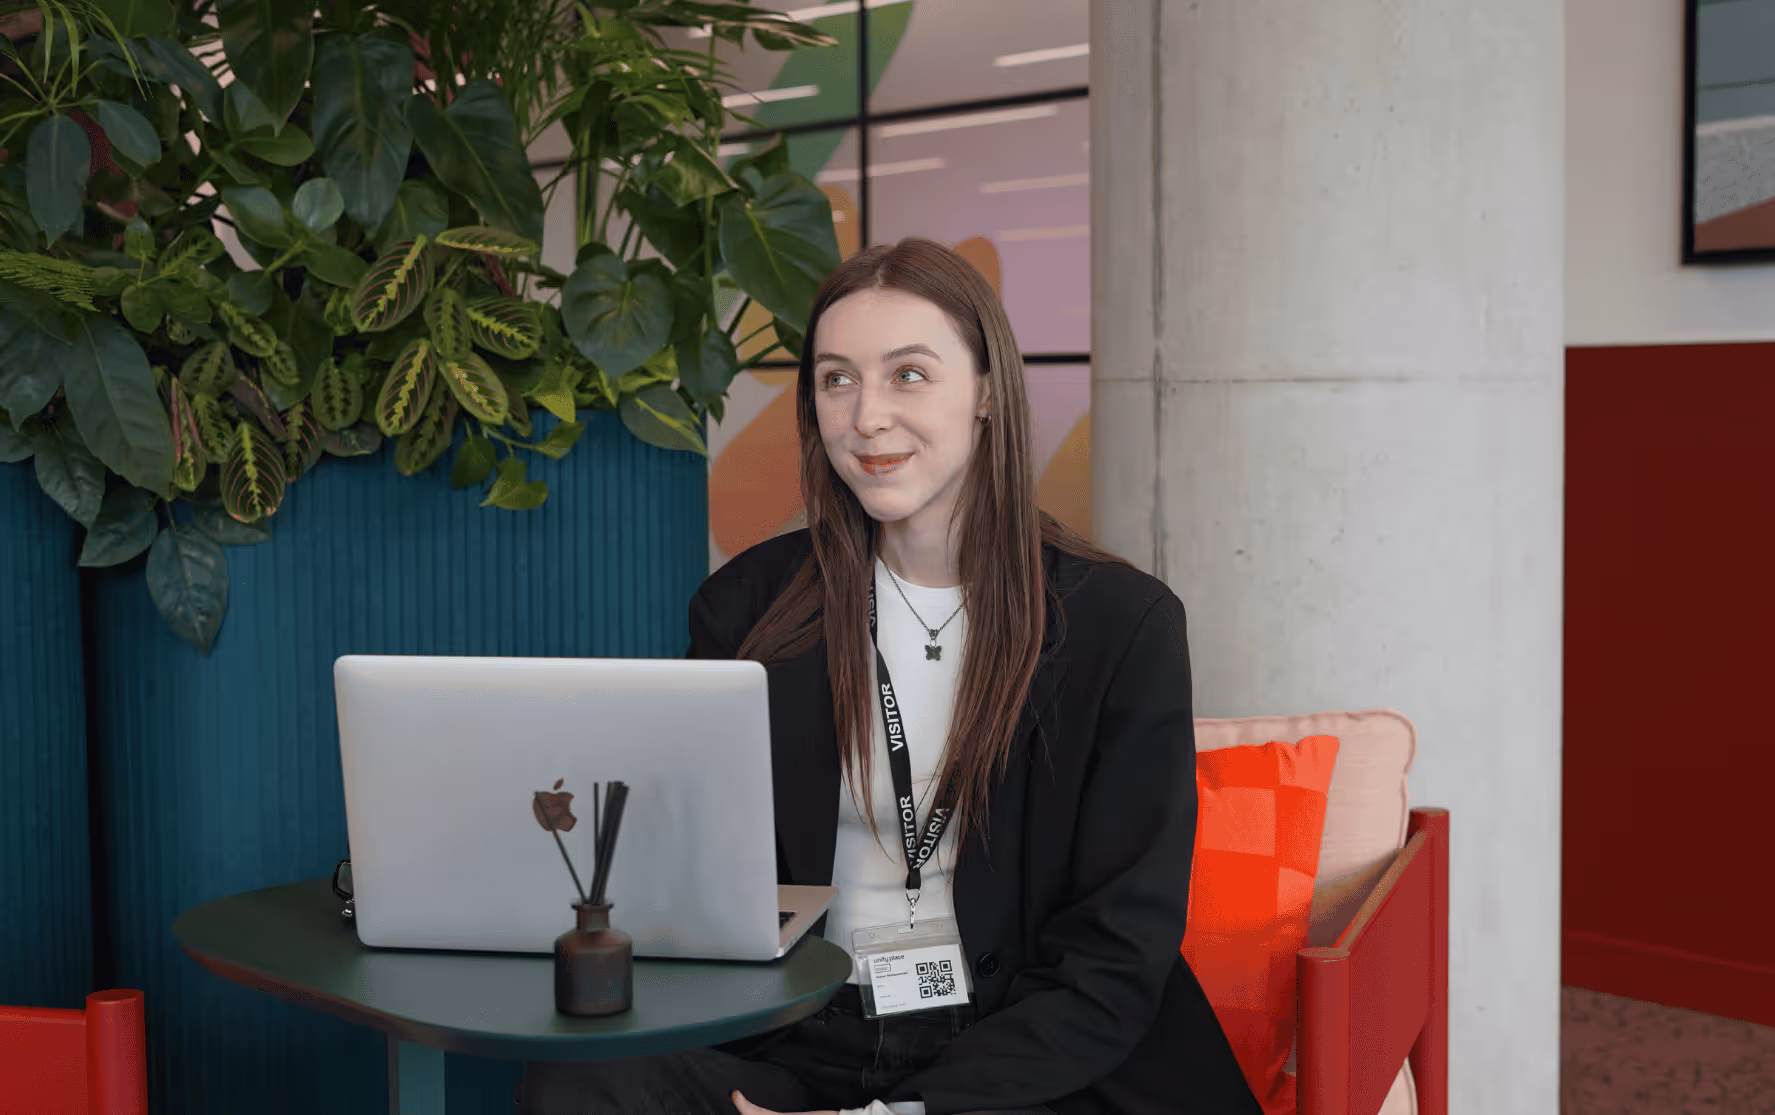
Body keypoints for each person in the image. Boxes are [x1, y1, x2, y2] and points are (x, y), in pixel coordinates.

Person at [516, 238, 1261, 1115]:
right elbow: (693, 877)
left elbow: (1114, 952)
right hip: (802, 1029)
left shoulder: (1120, 624)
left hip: (1023, 1049)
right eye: (835, 379)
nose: (865, 417)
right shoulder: (747, 607)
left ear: (987, 392)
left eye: (908, 374)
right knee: (574, 1085)